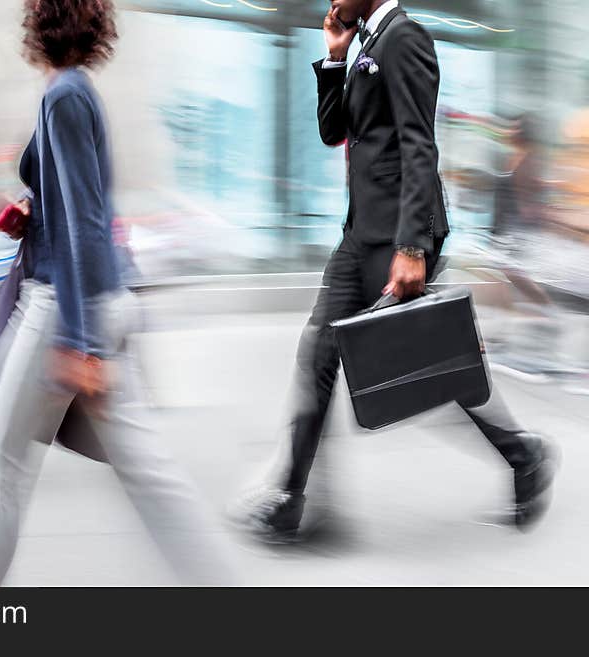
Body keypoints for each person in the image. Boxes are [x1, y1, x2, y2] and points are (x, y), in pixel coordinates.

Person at [0, 0, 235, 586]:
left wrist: (78, 343)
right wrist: (31, 215)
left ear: (40, 23)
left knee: (4, 476)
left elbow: (85, 225)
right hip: (95, 302)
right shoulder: (75, 90)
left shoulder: (64, 95)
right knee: (149, 474)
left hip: (63, 311)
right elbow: (75, 210)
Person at [233, 0, 560, 543]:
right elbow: (333, 130)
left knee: (427, 365)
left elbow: (419, 143)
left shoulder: (405, 38)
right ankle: (291, 497)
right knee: (319, 353)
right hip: (360, 234)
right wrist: (335, 60)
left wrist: (411, 247)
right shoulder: (366, 43)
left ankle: (524, 454)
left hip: (397, 238)